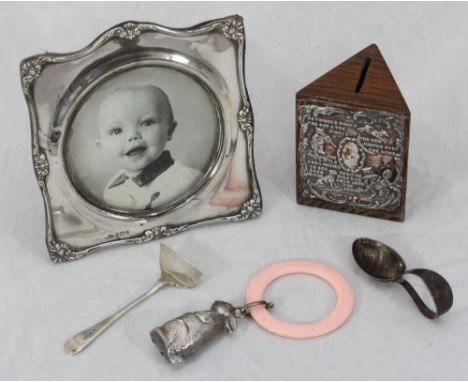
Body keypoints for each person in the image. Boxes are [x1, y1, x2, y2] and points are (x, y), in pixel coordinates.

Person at [97, 85, 201, 211]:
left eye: (146, 123)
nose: (132, 135)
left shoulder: (187, 180)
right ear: (103, 149)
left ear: (169, 130)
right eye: (116, 131)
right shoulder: (111, 189)